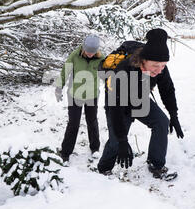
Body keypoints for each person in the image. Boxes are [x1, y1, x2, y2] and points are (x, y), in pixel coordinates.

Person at [97, 28, 184, 179]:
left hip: (140, 98)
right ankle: (104, 169)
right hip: (117, 102)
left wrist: (174, 115)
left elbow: (167, 90)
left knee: (161, 122)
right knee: (116, 140)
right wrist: (123, 140)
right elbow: (116, 108)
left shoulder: (160, 69)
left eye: (163, 65)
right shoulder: (124, 70)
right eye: (155, 66)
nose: (159, 70)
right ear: (143, 61)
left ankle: (156, 164)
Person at [55, 34, 105, 162]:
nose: (90, 54)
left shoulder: (101, 58)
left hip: (92, 95)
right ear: (83, 48)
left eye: (92, 52)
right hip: (74, 95)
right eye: (88, 52)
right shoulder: (75, 56)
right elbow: (65, 71)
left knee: (92, 121)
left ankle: (95, 149)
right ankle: (65, 152)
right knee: (73, 123)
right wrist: (59, 88)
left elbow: (106, 75)